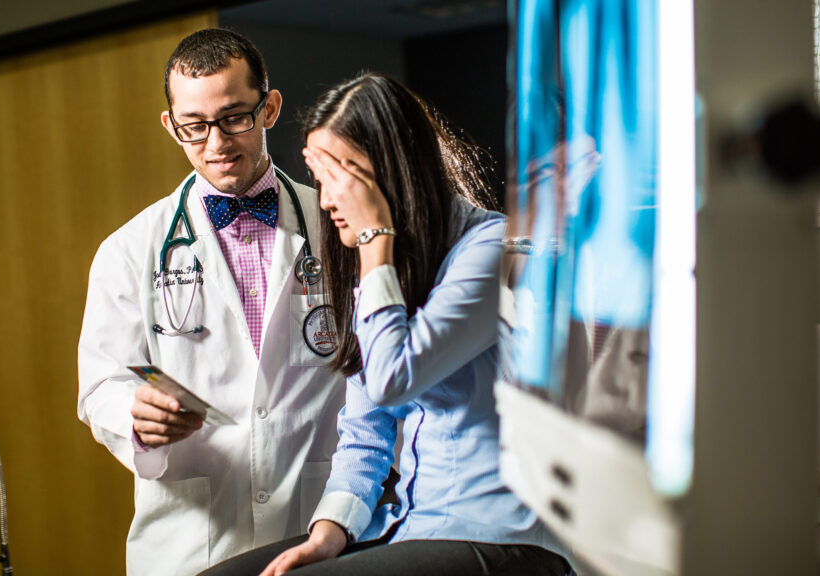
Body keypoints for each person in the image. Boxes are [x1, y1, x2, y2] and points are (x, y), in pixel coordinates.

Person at [198, 73, 572, 576]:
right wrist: (327, 534)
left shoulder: (490, 252)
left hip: (499, 539)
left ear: (391, 171)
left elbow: (395, 378)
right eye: (320, 179)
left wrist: (376, 241)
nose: (326, 201)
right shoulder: (389, 266)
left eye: (341, 178)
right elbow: (366, 431)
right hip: (410, 528)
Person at [77, 28, 346, 576]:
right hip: (190, 543)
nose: (216, 144)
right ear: (170, 124)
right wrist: (136, 417)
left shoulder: (338, 226)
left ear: (269, 107)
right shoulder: (130, 250)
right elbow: (101, 383)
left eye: (234, 118)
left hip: (320, 525)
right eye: (193, 127)